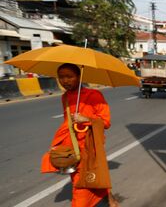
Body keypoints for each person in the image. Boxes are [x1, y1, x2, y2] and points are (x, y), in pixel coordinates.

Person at [40, 63, 119, 207]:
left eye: (69, 76)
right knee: (91, 177)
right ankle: (110, 200)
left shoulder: (93, 95)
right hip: (73, 147)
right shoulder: (65, 97)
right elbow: (67, 124)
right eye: (61, 77)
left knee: (81, 184)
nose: (65, 81)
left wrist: (86, 119)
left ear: (79, 77)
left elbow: (106, 122)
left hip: (90, 145)